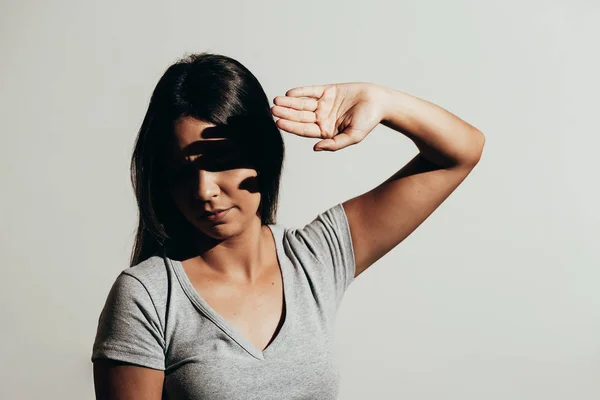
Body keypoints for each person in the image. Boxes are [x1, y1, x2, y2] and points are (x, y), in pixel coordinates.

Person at [91, 52, 485, 399]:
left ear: (261, 152)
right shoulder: (148, 296)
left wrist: (381, 100)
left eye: (220, 159)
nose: (204, 189)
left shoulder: (315, 258)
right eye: (181, 171)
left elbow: (460, 151)